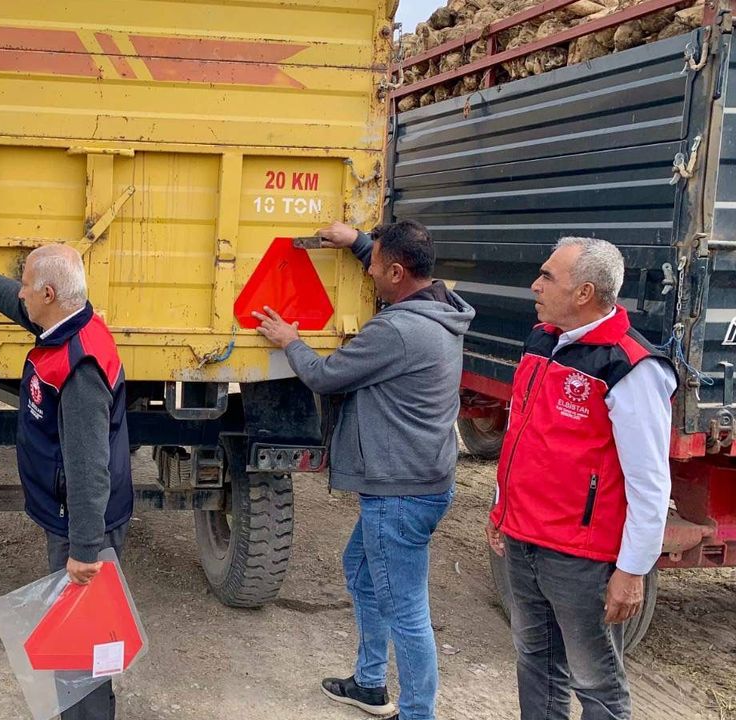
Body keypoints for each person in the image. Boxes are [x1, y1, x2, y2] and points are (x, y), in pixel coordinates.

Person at [253, 220, 474, 720]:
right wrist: (356, 242)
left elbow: (325, 376)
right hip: (421, 480)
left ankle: (417, 713)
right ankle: (370, 684)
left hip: (400, 493)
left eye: (374, 264)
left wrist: (290, 340)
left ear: (397, 272)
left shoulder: (396, 331)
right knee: (361, 570)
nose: (368, 270)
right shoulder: (442, 307)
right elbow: (388, 262)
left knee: (407, 610)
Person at [0, 243, 132, 720]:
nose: (21, 294)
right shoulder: (69, 322)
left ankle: (88, 716)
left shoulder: (79, 366)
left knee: (83, 638)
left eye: (27, 286)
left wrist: (85, 548)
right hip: (70, 514)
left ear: (50, 294)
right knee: (77, 631)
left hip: (82, 523)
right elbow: (14, 303)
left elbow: (88, 466)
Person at [485, 237, 674, 720]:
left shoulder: (630, 367)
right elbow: (519, 433)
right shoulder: (542, 340)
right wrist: (501, 506)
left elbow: (649, 483)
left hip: (580, 558)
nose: (535, 285)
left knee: (596, 684)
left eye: (547, 276)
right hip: (524, 539)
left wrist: (631, 571)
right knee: (535, 663)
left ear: (585, 292)